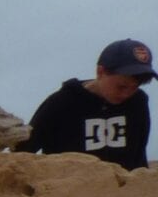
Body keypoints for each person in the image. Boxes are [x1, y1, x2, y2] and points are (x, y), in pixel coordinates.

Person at [22, 39, 156, 171]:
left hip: (122, 190)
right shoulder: (62, 102)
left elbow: (139, 157)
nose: (127, 94)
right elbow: (23, 151)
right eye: (121, 86)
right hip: (69, 189)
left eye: (135, 87)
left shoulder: (138, 102)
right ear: (100, 72)